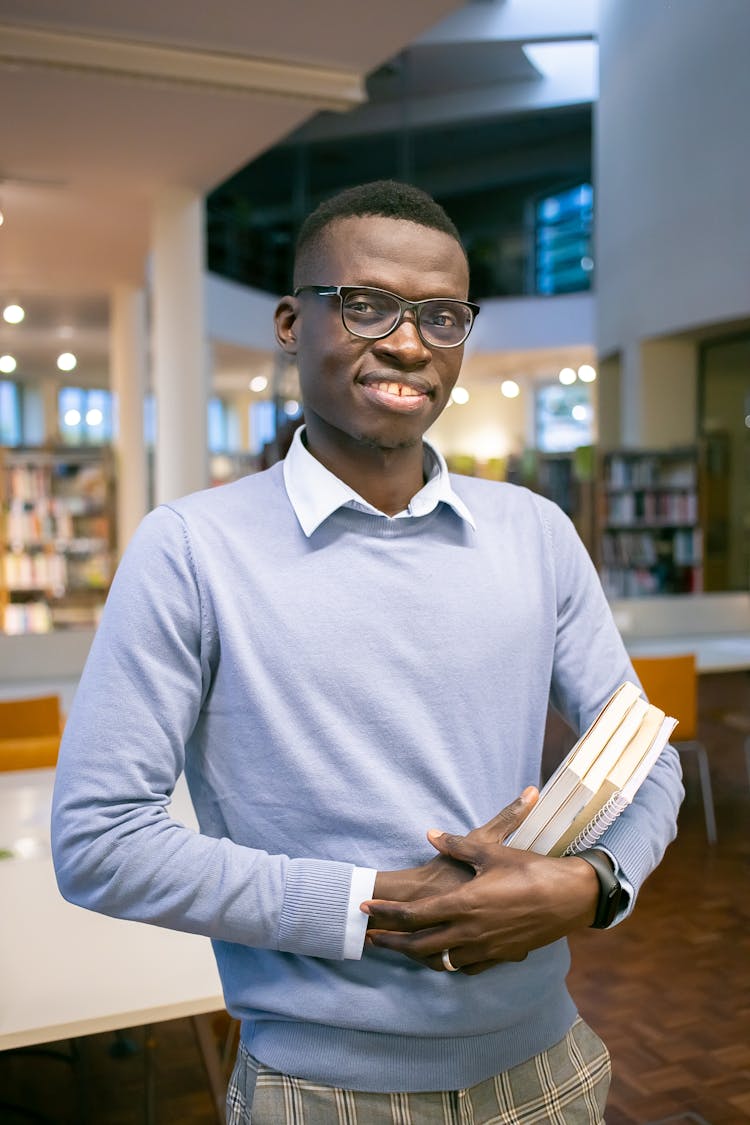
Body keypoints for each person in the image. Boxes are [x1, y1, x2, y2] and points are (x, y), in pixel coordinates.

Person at [52, 180, 683, 1124]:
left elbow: (648, 757)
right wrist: (376, 904)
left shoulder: (537, 531)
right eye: (366, 305)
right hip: (322, 1091)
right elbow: (99, 839)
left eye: (441, 316)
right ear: (288, 322)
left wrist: (591, 886)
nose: (408, 342)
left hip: (553, 1067)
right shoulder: (191, 548)